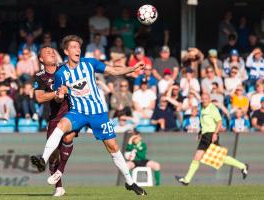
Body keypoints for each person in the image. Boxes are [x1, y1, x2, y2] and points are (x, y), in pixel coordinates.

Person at [31, 35, 147, 195]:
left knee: (113, 147)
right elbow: (58, 98)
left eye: (79, 47)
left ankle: (130, 182)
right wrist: (60, 93)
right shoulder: (61, 73)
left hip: (98, 112)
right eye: (73, 47)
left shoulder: (89, 63)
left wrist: (132, 69)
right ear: (66, 51)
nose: (77, 49)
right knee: (62, 126)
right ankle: (43, 159)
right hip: (78, 112)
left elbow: (113, 70)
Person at [175, 93, 248, 185]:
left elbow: (219, 121)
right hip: (205, 136)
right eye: (203, 99)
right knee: (198, 157)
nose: (204, 100)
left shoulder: (212, 108)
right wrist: (200, 133)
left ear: (209, 99)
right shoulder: (203, 109)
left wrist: (215, 133)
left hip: (211, 135)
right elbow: (205, 124)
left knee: (219, 157)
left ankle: (243, 166)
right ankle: (186, 180)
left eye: (206, 99)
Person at [33, 45, 77, 196]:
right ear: (41, 59)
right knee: (53, 155)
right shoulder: (39, 76)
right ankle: (59, 187)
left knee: (68, 136)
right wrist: (58, 92)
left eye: (52, 51)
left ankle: (60, 170)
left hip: (72, 112)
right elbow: (39, 97)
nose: (51, 53)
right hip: (54, 116)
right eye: (47, 52)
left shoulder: (65, 68)